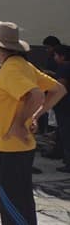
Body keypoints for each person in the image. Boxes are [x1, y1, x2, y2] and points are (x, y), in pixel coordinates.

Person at [0, 22, 66, 225]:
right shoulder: (22, 65)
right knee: (20, 199)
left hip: (9, 147)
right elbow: (59, 90)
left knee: (13, 203)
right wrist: (35, 115)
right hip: (11, 146)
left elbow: (36, 94)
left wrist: (19, 123)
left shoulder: (12, 68)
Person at [53, 44, 70, 173]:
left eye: (55, 55)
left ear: (62, 56)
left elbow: (61, 86)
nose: (54, 58)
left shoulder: (64, 67)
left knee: (66, 134)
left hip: (65, 105)